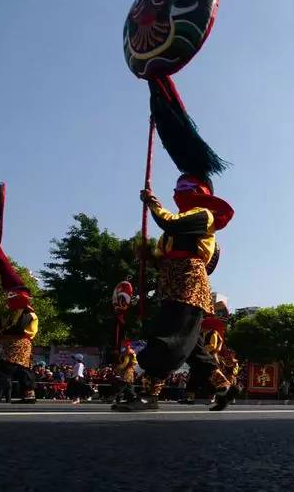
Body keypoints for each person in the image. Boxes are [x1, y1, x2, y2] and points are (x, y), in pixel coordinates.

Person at [116, 175, 235, 412]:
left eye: (185, 187)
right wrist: (147, 255)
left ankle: (149, 395)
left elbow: (168, 222)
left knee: (171, 336)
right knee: (193, 348)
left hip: (188, 284)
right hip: (171, 283)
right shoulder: (176, 227)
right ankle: (224, 387)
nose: (177, 192)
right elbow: (162, 258)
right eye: (177, 187)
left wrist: (153, 203)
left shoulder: (203, 215)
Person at [0, 242, 39, 404]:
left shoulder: (27, 313)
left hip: (19, 344)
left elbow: (17, 329)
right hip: (11, 345)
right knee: (22, 371)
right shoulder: (14, 313)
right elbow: (5, 327)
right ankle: (28, 393)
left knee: (2, 369)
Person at [112, 340, 138, 405]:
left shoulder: (128, 352)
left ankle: (119, 396)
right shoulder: (126, 352)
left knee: (124, 384)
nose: (126, 346)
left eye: (127, 345)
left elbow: (125, 363)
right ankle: (131, 398)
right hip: (128, 370)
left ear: (129, 345)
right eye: (125, 345)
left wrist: (117, 369)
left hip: (127, 370)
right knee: (129, 385)